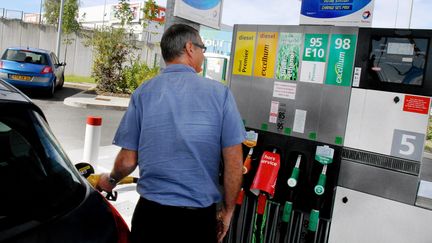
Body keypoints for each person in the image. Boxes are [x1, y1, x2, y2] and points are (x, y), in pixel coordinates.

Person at [96, 23, 246, 243]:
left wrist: (110, 180)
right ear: (189, 48)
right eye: (202, 48)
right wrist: (228, 211)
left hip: (151, 218)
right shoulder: (220, 94)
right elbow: (234, 162)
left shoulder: (143, 93)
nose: (203, 54)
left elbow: (128, 161)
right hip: (196, 222)